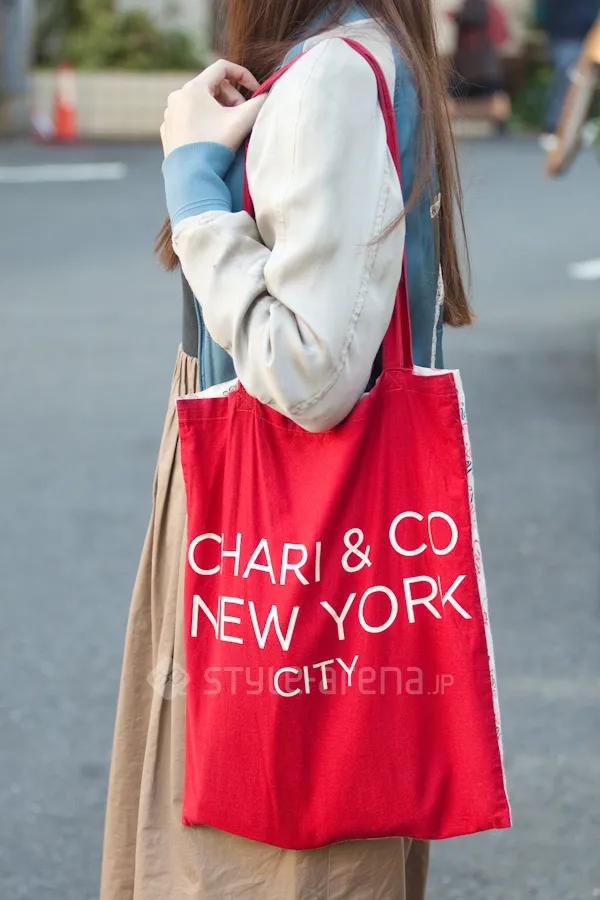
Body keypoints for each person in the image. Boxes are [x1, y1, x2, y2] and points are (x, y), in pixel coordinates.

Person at [100, 1, 474, 898]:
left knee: (266, 844)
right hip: (282, 517)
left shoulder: (334, 75)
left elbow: (310, 373)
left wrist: (194, 181)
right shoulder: (351, 60)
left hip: (275, 516)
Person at [540, 0, 600, 141]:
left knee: (583, 84)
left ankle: (578, 125)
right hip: (567, 35)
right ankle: (554, 126)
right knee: (565, 82)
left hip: (588, 34)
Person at [447, 0, 512, 130]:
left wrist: (456, 16)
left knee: (490, 97)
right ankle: (498, 125)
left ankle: (499, 125)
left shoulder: (478, 4)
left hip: (478, 65)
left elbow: (475, 17)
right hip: (477, 65)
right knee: (485, 94)